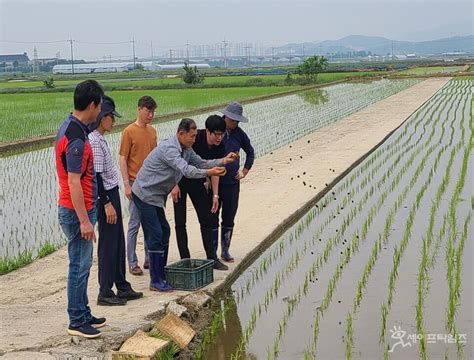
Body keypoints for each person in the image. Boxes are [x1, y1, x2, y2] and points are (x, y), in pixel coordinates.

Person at [132, 118, 239, 292]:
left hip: (156, 196)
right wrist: (210, 172)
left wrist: (223, 161)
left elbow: (201, 163)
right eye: (192, 136)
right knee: (157, 233)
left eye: (196, 136)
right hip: (144, 194)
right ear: (181, 134)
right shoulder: (170, 149)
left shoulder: (187, 149)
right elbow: (188, 171)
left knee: (164, 231)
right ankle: (156, 280)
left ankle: (161, 274)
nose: (194, 139)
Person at [55, 79, 105, 339]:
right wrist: (85, 221)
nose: (101, 112)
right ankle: (76, 320)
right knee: (79, 265)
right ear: (93, 104)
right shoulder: (75, 137)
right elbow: (74, 181)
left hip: (79, 208)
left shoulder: (72, 126)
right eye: (100, 106)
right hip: (77, 211)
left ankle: (83, 312)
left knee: (83, 263)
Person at [88, 95, 143, 306]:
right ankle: (105, 291)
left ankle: (122, 285)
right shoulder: (93, 140)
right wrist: (107, 203)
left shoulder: (100, 138)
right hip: (106, 197)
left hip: (111, 193)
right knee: (109, 244)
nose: (113, 121)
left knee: (118, 241)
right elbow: (96, 177)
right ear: (102, 117)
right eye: (111, 116)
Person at [171, 115, 228, 271]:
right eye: (216, 134)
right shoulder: (194, 139)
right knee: (180, 221)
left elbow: (215, 169)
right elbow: (172, 162)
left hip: (197, 179)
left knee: (206, 218)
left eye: (222, 134)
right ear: (208, 132)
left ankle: (212, 257)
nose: (219, 137)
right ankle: (185, 259)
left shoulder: (220, 145)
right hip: (180, 180)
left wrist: (215, 195)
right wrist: (173, 185)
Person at [119, 96, 157, 276]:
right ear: (139, 109)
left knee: (150, 223)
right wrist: (126, 184)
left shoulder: (152, 131)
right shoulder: (129, 131)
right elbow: (123, 158)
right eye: (148, 111)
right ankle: (132, 262)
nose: (150, 115)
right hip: (135, 183)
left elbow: (156, 158)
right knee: (134, 223)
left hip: (151, 184)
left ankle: (149, 258)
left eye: (152, 112)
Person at [217, 102, 255, 262]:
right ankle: (211, 253)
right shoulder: (215, 129)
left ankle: (225, 250)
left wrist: (244, 171)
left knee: (229, 216)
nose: (235, 123)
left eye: (237, 121)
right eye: (233, 120)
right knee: (211, 218)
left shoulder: (239, 134)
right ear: (226, 117)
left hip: (232, 183)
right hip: (215, 183)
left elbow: (250, 152)